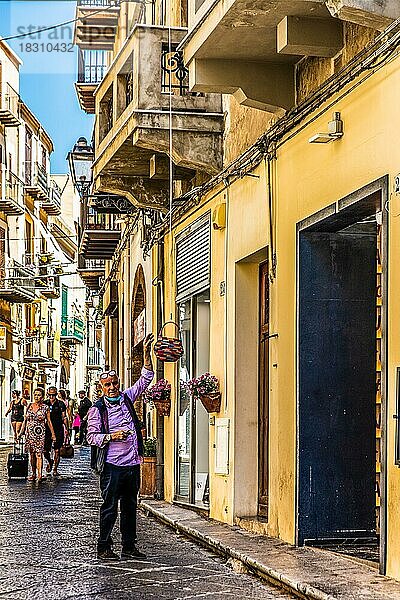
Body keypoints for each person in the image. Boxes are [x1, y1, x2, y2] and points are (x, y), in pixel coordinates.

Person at [87, 332, 154, 561]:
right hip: (112, 466)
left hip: (132, 464)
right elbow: (91, 437)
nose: (112, 387)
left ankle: (129, 546)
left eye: (115, 383)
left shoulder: (126, 397)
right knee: (108, 508)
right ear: (101, 387)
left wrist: (146, 355)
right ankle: (104, 546)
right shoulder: (98, 409)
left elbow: (145, 379)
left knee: (130, 507)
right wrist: (112, 436)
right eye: (108, 385)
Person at [18, 388, 56, 481]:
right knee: (31, 454)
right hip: (29, 433)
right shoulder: (29, 405)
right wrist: (20, 433)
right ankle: (33, 473)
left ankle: (39, 474)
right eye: (35, 395)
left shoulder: (45, 407)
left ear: (42, 397)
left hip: (40, 434)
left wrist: (53, 434)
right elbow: (25, 420)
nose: (36, 397)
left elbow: (49, 421)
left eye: (39, 395)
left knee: (39, 454)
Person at [44, 386, 68, 477]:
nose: (51, 397)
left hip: (58, 429)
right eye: (49, 395)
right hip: (47, 429)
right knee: (45, 450)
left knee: (57, 450)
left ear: (56, 394)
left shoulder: (61, 404)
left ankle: (55, 469)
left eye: (53, 395)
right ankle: (50, 461)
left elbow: (64, 417)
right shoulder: (45, 403)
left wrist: (67, 430)